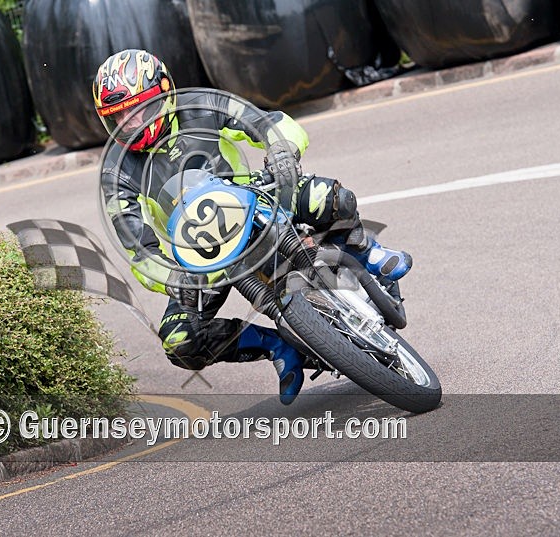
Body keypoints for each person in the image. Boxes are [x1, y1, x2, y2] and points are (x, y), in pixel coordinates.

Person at [94, 49, 412, 404]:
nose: (130, 124)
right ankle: (278, 347)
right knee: (179, 339)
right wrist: (170, 276)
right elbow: (137, 248)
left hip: (257, 198)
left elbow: (270, 122)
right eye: (118, 118)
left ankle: (368, 252)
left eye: (137, 111)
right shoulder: (116, 170)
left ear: (164, 90)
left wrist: (280, 150)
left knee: (323, 196)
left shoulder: (202, 104)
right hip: (201, 256)